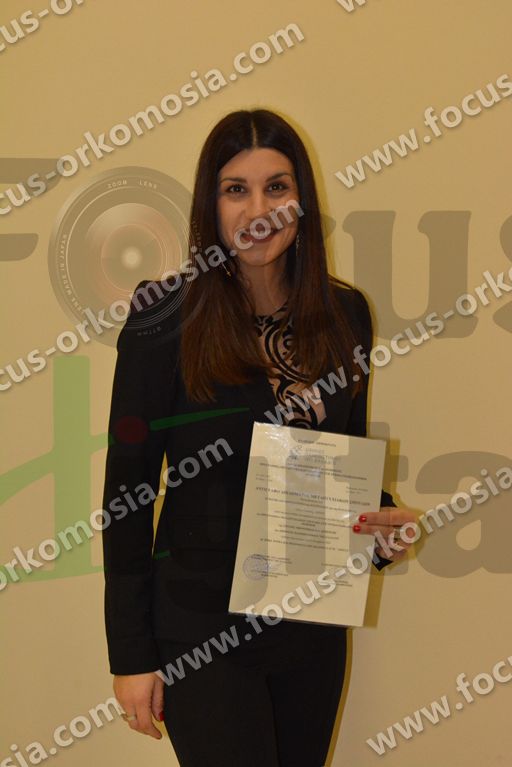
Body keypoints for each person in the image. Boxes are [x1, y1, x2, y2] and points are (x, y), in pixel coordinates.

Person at [101, 108, 416, 767]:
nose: (258, 211)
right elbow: (128, 493)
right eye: (235, 189)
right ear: (210, 204)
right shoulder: (165, 316)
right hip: (199, 626)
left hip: (310, 624)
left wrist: (380, 525)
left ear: (301, 199)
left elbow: (338, 464)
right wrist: (131, 655)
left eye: (277, 187)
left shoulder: (345, 314)